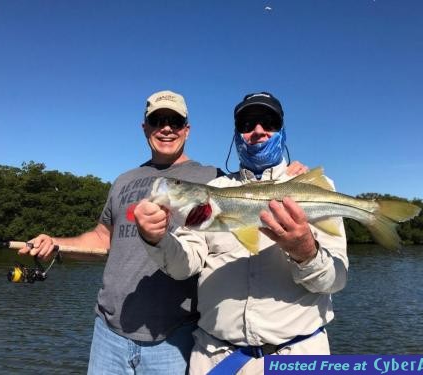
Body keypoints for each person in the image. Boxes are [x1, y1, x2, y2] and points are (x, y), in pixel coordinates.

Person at [18, 90, 306, 374]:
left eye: (175, 121)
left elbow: (253, 191)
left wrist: (289, 176)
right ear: (145, 128)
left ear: (187, 130)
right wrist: (55, 243)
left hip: (174, 334)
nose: (166, 128)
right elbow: (102, 238)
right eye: (157, 121)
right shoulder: (123, 181)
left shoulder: (215, 179)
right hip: (109, 331)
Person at [135, 92, 349, 375]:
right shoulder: (215, 189)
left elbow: (335, 280)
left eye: (268, 122)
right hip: (215, 358)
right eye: (247, 124)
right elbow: (184, 265)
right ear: (236, 135)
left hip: (296, 356)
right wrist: (157, 239)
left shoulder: (313, 187)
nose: (258, 132)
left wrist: (306, 253)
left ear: (282, 130)